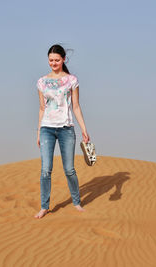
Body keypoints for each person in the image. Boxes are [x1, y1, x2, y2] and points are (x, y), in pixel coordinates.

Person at [34, 44, 90, 219]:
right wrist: (38, 132)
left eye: (57, 60)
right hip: (47, 129)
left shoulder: (72, 80)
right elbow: (42, 108)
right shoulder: (41, 82)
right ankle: (44, 206)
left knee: (69, 169)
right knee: (45, 170)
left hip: (66, 128)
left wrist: (84, 129)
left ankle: (76, 202)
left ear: (63, 59)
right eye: (51, 60)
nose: (54, 63)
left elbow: (76, 106)